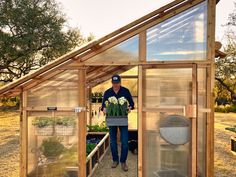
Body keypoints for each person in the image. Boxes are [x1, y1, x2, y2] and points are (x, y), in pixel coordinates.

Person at [101, 74, 134, 172]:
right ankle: (115, 160)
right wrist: (104, 109)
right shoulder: (107, 92)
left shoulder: (125, 91)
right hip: (111, 120)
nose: (115, 85)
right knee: (112, 141)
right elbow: (103, 105)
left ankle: (123, 161)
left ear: (120, 82)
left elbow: (132, 103)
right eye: (114, 83)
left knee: (124, 142)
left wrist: (129, 108)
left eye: (117, 83)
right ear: (112, 83)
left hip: (123, 119)